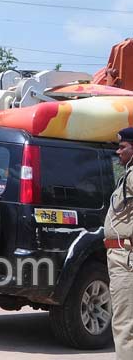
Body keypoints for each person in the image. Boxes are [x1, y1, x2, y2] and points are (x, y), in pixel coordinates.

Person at [106, 126, 133, 359]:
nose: (118, 152)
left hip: (126, 256)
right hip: (121, 254)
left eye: (123, 147)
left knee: (124, 323)